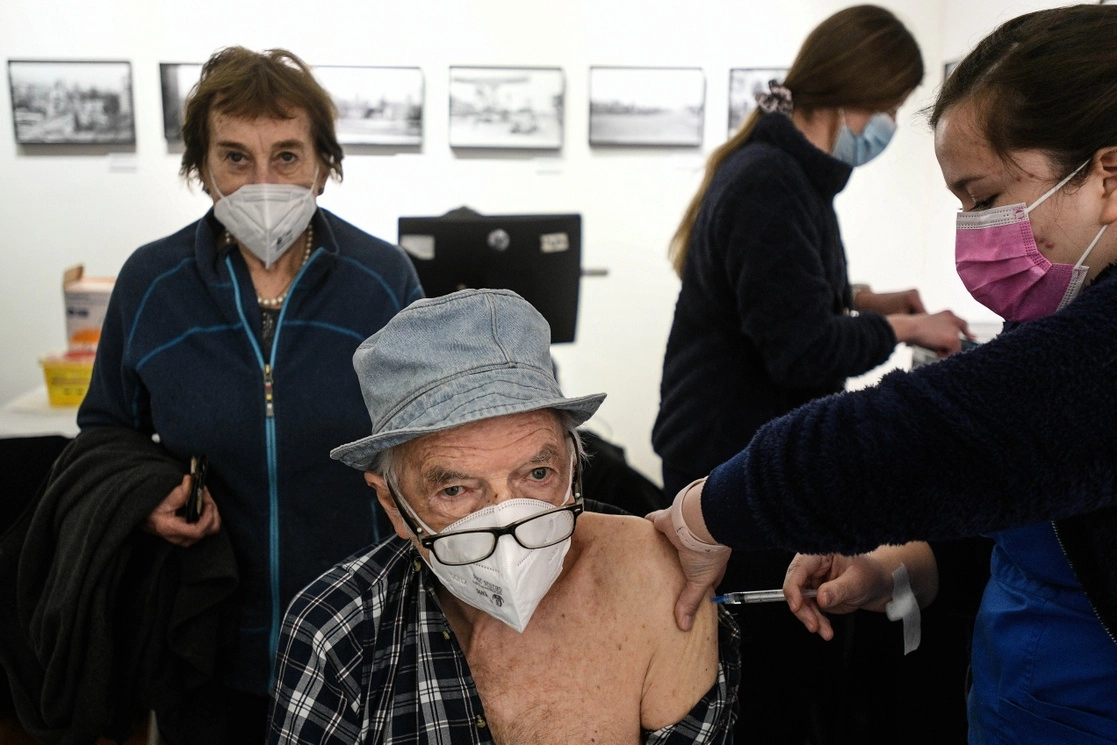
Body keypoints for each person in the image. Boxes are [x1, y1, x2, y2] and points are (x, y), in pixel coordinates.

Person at [651, 5, 1117, 743]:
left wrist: (703, 514)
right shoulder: (772, 178)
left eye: (984, 199)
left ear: (1106, 176)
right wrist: (906, 566)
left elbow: (934, 435)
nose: (973, 228)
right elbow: (1015, 512)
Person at [77, 46, 423, 741]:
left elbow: (431, 432)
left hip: (358, 631)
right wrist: (146, 499)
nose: (263, 181)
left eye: (287, 156)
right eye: (235, 157)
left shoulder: (383, 280)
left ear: (323, 165)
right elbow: (106, 428)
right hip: (201, 636)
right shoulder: (152, 283)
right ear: (201, 169)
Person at [651, 6, 970, 742]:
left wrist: (866, 301)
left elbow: (781, 291)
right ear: (857, 91)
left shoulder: (788, 172)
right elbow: (798, 348)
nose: (886, 126)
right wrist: (903, 329)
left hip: (734, 444)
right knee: (769, 676)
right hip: (730, 455)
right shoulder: (769, 179)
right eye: (889, 108)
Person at [268, 289, 740, 744]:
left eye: (537, 473)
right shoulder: (338, 629)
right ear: (393, 503)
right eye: (455, 489)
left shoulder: (657, 583)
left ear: (574, 467)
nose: (506, 522)